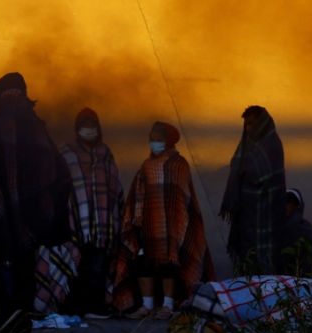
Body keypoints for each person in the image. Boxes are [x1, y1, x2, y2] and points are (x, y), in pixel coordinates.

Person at [0, 73, 72, 333]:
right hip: (32, 213)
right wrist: (44, 202)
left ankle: (7, 319)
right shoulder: (35, 125)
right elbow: (56, 169)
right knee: (25, 269)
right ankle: (23, 324)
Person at [113, 122, 215, 319]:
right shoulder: (146, 165)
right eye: (152, 139)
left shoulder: (180, 164)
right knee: (143, 262)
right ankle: (147, 306)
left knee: (170, 263)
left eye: (159, 139)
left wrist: (177, 223)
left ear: (169, 140)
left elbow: (183, 199)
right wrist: (135, 219)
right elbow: (137, 195)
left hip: (173, 227)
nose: (154, 143)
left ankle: (167, 306)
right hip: (147, 226)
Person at [58, 108, 123, 318]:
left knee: (97, 267)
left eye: (92, 126)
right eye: (84, 126)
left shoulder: (106, 152)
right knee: (76, 266)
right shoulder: (67, 152)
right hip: (76, 221)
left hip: (101, 223)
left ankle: (94, 307)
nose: (88, 130)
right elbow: (61, 186)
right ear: (77, 129)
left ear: (98, 128)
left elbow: (114, 185)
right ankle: (75, 308)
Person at [220, 106, 286, 275]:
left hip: (267, 215)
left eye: (252, 124)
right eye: (246, 125)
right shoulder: (244, 147)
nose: (249, 128)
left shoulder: (272, 144)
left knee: (266, 262)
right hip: (247, 216)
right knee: (247, 259)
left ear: (262, 123)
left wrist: (244, 174)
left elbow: (262, 175)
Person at [282, 189, 312, 277]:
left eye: (293, 203)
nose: (289, 206)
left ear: (298, 206)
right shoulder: (275, 227)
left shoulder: (305, 227)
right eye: (287, 202)